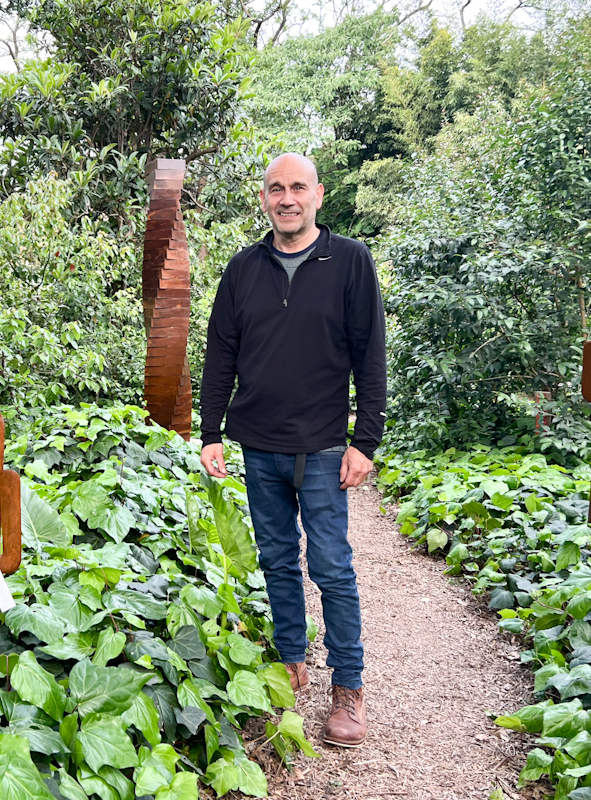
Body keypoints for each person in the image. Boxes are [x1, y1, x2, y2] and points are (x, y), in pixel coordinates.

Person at [198, 153, 386, 748]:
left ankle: (348, 689)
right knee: (277, 561)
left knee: (331, 566)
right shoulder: (242, 270)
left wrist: (366, 441)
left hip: (327, 447)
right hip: (260, 446)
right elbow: (220, 354)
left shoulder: (351, 262)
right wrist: (210, 432)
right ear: (263, 198)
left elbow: (370, 356)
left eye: (298, 188)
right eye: (276, 189)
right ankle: (288, 665)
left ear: (318, 195)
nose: (287, 198)